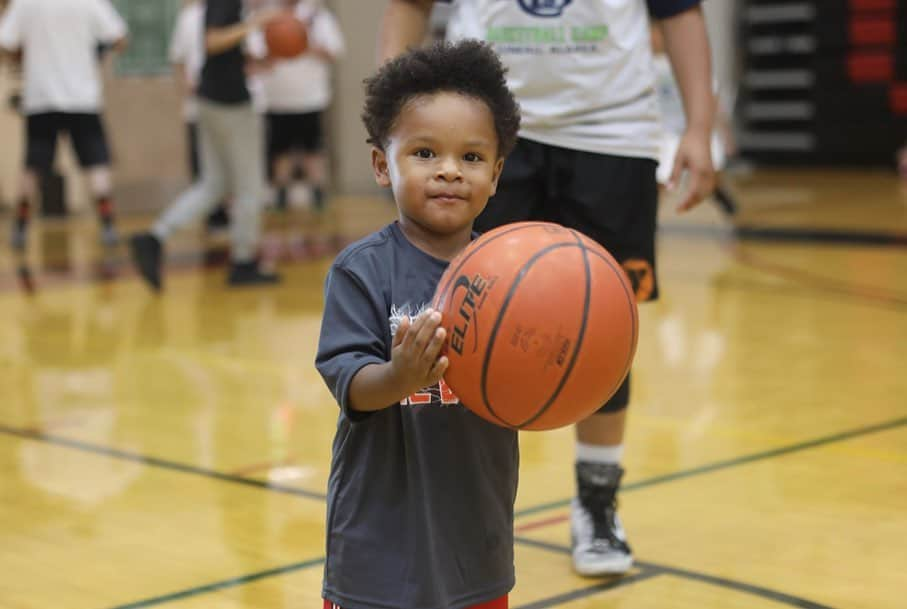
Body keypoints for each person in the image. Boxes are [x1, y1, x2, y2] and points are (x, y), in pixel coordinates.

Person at [380, 0, 716, 576]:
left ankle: (596, 498)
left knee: (601, 325)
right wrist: (392, 119)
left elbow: (681, 11)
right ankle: (464, 508)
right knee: (467, 325)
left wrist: (701, 126)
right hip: (483, 127)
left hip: (614, 129)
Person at [315, 40, 521, 609]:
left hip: (475, 545)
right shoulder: (362, 271)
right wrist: (398, 376)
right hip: (375, 552)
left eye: (472, 158)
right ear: (383, 164)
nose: (450, 171)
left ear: (497, 174)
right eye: (425, 153)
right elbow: (350, 384)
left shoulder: (512, 274)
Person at [130, 0, 281, 291]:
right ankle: (243, 262)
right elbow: (213, 42)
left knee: (214, 184)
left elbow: (222, 49)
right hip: (230, 104)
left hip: (210, 99)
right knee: (250, 187)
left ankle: (154, 237)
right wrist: (256, 23)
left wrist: (257, 59)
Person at [0, 0, 128, 251]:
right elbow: (120, 39)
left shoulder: (26, 3)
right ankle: (108, 225)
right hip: (83, 97)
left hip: (41, 98)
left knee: (32, 167)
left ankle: (20, 229)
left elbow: (5, 42)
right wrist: (94, 51)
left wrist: (23, 55)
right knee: (96, 165)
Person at [255, 0, 345, 212]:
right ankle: (280, 198)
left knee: (313, 149)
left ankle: (318, 196)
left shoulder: (318, 16)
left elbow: (335, 52)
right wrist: (276, 48)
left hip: (311, 98)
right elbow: (256, 54)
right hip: (276, 99)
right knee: (280, 151)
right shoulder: (266, 16)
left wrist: (303, 42)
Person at [651, 23, 737, 215]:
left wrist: (724, 133)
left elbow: (712, 100)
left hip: (692, 129)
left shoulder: (685, 63)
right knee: (662, 178)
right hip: (665, 134)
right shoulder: (645, 66)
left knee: (709, 172)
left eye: (655, 33)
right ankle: (652, 213)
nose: (651, 38)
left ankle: (718, 192)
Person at [168, 0, 231, 231]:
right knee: (207, 170)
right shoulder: (189, 17)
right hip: (206, 105)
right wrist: (187, 85)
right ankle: (215, 215)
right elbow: (179, 58)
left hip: (226, 104)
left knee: (224, 169)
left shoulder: (234, 11)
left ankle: (225, 214)